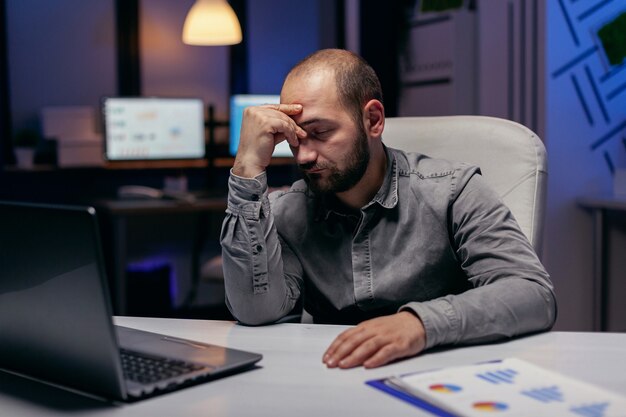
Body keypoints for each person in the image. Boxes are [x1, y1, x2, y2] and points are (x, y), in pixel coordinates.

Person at [220, 49, 556, 369]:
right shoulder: (288, 211)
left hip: (444, 375)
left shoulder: (453, 190)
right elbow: (255, 311)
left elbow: (532, 294)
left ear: (374, 120)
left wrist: (419, 324)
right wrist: (247, 168)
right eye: (295, 139)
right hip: (332, 379)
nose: (304, 156)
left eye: (320, 133)